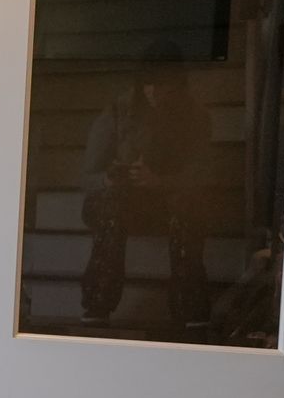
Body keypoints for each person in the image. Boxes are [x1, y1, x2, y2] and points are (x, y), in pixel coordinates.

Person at [77, 53, 211, 331]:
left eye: (162, 84)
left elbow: (201, 175)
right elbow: (87, 175)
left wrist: (160, 181)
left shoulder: (195, 117)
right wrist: (111, 178)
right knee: (111, 207)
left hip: (170, 200)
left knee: (189, 208)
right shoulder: (117, 112)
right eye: (148, 84)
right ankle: (97, 302)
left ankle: (191, 305)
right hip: (119, 199)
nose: (154, 91)